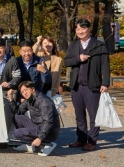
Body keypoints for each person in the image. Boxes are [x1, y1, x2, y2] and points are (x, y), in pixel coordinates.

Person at [64, 19, 110, 152]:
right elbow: (67, 61)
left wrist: (105, 83)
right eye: (78, 29)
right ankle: (81, 139)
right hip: (76, 86)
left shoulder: (99, 45)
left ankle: (92, 141)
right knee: (79, 115)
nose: (80, 31)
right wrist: (79, 58)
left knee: (93, 115)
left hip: (93, 86)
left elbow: (105, 65)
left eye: (83, 29)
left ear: (89, 29)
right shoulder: (73, 45)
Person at [10, 81, 60, 156]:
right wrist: (11, 98)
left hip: (50, 132)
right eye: (22, 92)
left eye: (26, 90)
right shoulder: (29, 99)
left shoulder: (44, 101)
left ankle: (48, 144)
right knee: (16, 117)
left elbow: (48, 122)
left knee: (17, 133)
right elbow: (18, 112)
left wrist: (40, 138)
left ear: (33, 89)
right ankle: (29, 145)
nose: (24, 93)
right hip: (37, 126)